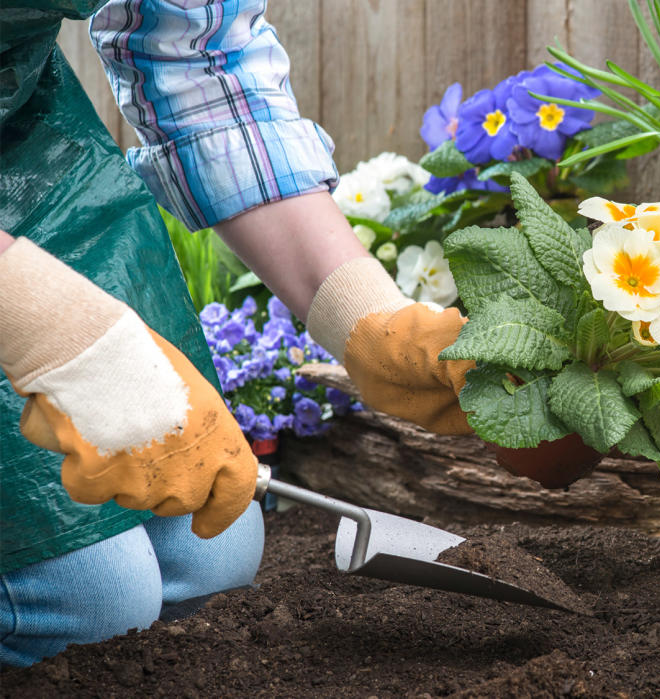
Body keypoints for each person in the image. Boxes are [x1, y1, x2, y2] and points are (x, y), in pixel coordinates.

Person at [0, 0, 472, 667]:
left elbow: (197, 53)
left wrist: (364, 318)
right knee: (89, 601)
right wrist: (47, 326)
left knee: (211, 552)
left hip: (23, 140)